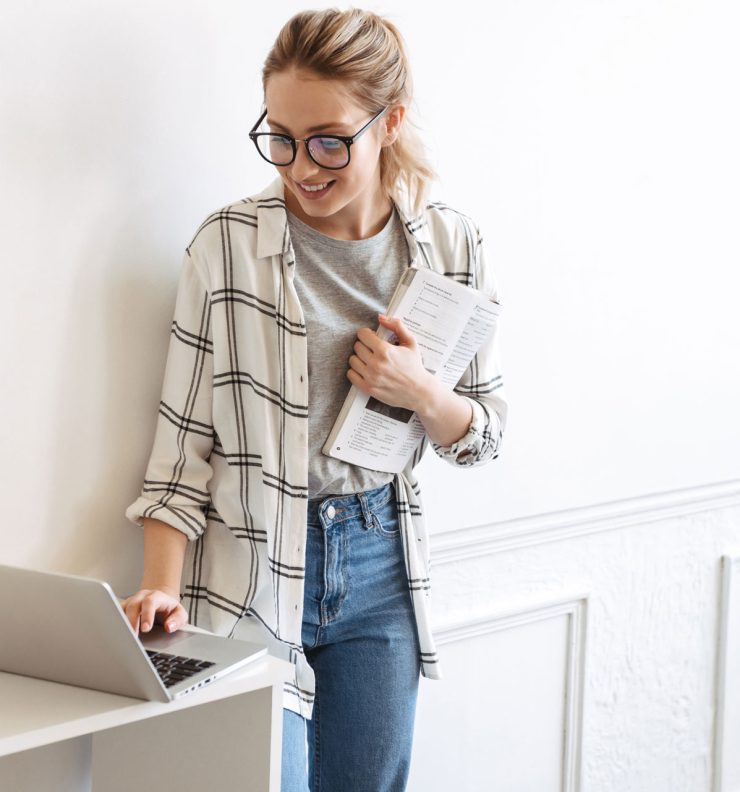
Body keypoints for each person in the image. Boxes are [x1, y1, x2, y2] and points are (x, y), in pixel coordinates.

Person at [121, 8, 508, 792]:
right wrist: (160, 586)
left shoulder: (452, 245)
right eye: (282, 138)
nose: (302, 166)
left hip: (380, 566)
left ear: (389, 122)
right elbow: (180, 453)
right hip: (253, 570)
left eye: (330, 141)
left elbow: (484, 433)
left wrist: (419, 391)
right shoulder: (229, 246)